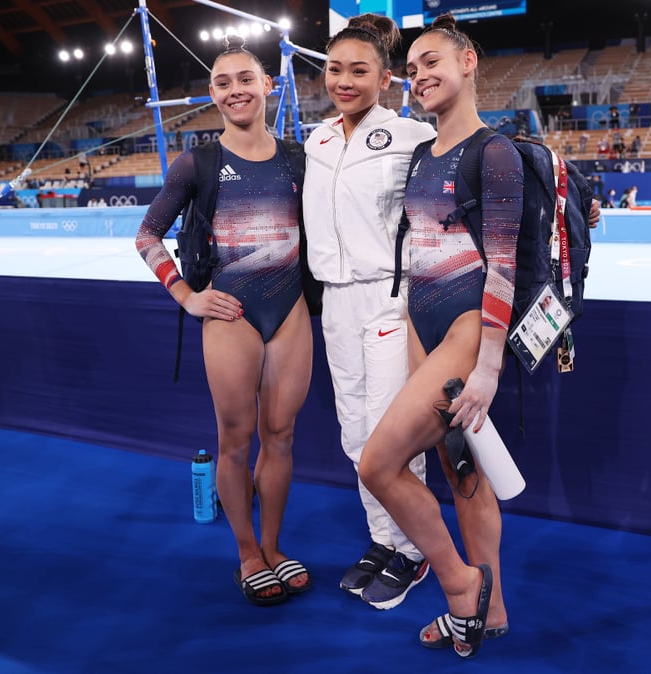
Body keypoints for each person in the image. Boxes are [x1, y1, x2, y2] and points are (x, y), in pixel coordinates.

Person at [358, 13, 522, 658]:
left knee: (378, 464)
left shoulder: (495, 151)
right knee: (461, 473)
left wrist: (488, 367)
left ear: (468, 61)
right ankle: (495, 611)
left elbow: (503, 266)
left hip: (466, 326)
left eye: (433, 62)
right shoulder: (424, 154)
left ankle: (461, 587)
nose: (421, 75)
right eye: (414, 68)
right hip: (424, 323)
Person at [135, 35, 313, 606]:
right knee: (235, 441)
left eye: (245, 79)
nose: (235, 90)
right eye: (222, 82)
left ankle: (274, 544)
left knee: (280, 437)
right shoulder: (199, 162)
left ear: (269, 86)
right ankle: (245, 550)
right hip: (230, 312)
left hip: (289, 310)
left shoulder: (298, 159)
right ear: (213, 95)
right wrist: (186, 295)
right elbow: (146, 235)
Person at [303, 13, 436, 610]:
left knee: (392, 433)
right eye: (335, 69)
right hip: (334, 300)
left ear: (386, 78)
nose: (345, 80)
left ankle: (414, 551)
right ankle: (385, 539)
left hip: (389, 296)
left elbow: (475, 175)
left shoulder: (412, 137)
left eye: (360, 70)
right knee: (355, 432)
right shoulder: (318, 139)